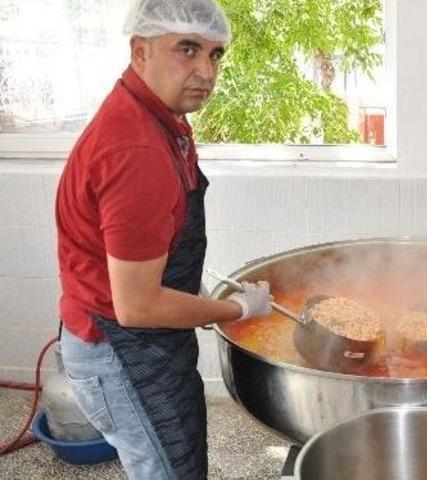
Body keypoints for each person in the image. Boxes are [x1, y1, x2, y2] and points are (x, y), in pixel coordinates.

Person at [54, 1, 271, 478]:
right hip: (120, 350)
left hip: (143, 342)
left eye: (215, 55)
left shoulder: (159, 116)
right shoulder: (137, 150)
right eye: (187, 50)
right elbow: (138, 306)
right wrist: (236, 310)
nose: (205, 71)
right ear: (139, 51)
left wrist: (198, 298)